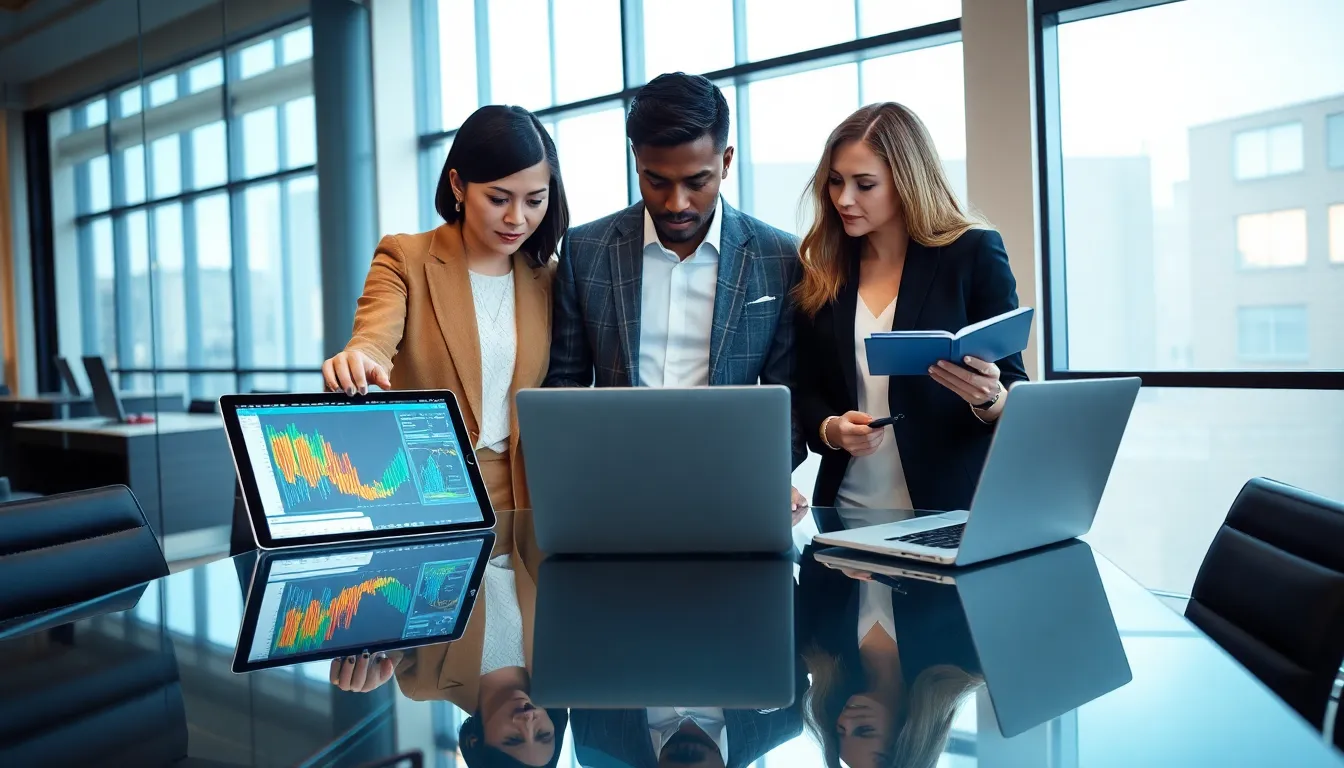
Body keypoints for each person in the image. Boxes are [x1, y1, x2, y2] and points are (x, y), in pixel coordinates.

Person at [543, 72, 807, 508]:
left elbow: (790, 398)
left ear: (726, 161)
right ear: (636, 160)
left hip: (733, 490)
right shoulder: (585, 249)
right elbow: (564, 380)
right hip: (611, 492)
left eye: (696, 181)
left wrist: (766, 475)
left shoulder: (779, 257)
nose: (676, 203)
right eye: (657, 180)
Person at [321, 105, 569, 516]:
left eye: (534, 200)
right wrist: (360, 358)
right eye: (498, 198)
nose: (517, 218)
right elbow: (374, 336)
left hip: (528, 504)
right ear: (458, 184)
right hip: (425, 496)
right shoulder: (406, 258)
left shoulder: (551, 279)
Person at [791, 102, 1029, 512]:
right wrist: (831, 430)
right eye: (834, 181)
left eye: (864, 185)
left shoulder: (972, 253)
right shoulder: (823, 268)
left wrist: (989, 398)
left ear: (906, 181)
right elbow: (804, 389)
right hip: (845, 510)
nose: (843, 199)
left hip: (947, 510)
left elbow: (1013, 389)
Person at [331, 512, 569, 767]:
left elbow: (390, 597)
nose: (529, 721)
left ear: (475, 742)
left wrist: (376, 650)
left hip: (439, 511)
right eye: (544, 734)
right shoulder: (560, 658)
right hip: (515, 489)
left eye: (513, 739)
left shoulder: (424, 680)